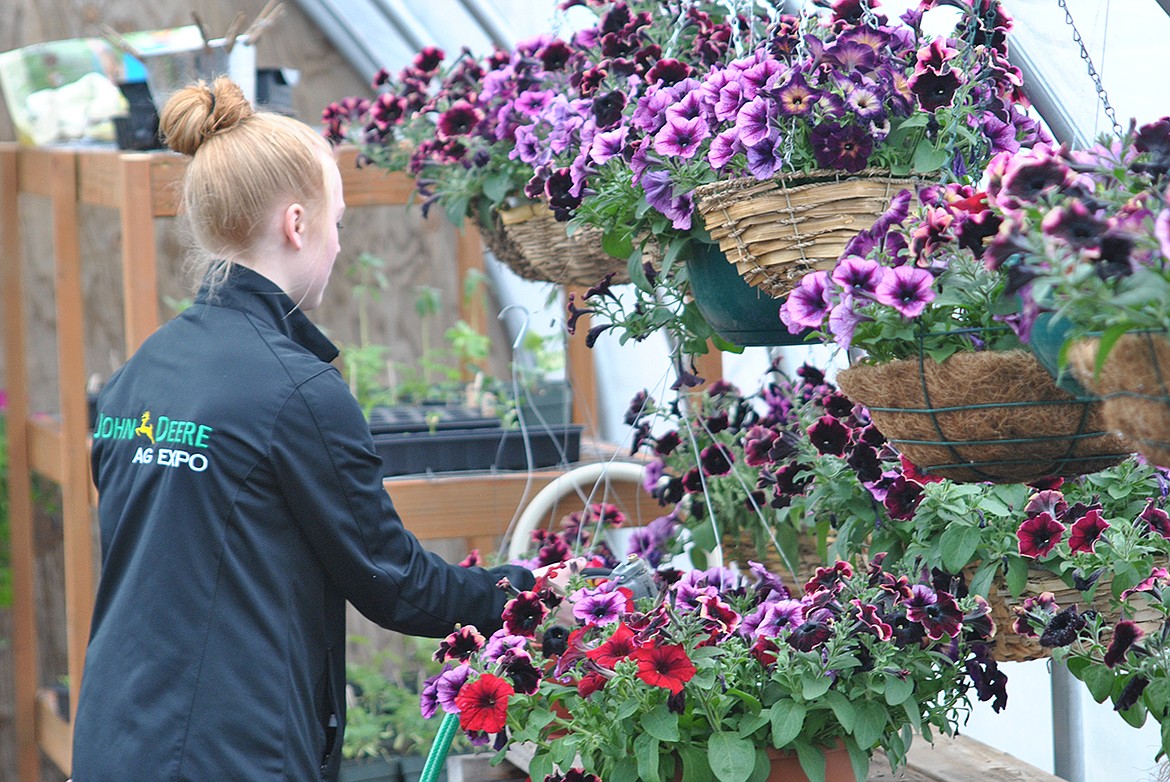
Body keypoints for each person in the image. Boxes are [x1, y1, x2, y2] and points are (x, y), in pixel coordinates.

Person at [71, 76, 545, 782]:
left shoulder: (142, 371)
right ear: (297, 224)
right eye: (338, 222)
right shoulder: (299, 392)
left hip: (115, 741)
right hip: (231, 757)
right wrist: (528, 593)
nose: (338, 244)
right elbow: (397, 584)